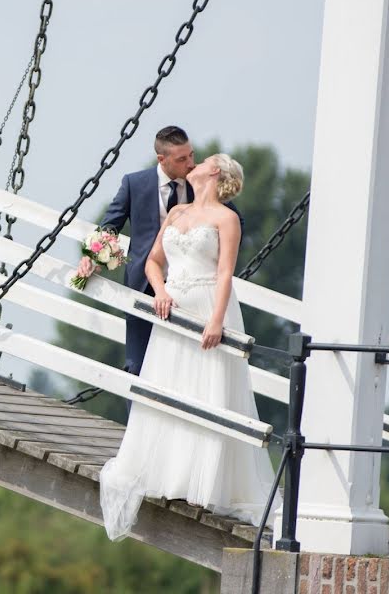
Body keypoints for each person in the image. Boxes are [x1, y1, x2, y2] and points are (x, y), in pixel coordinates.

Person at [98, 153, 278, 541]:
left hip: (209, 305)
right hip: (174, 307)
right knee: (171, 385)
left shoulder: (226, 219)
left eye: (205, 159)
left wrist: (217, 320)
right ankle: (168, 473)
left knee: (206, 389)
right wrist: (160, 292)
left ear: (215, 172)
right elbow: (153, 262)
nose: (196, 162)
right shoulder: (177, 212)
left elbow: (226, 270)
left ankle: (205, 483)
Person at [91, 126, 243, 380]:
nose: (190, 164)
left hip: (197, 291)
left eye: (192, 156)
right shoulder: (135, 183)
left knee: (189, 372)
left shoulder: (202, 185)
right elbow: (111, 224)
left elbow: (228, 230)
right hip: (144, 285)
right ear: (162, 159)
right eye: (182, 159)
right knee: (137, 367)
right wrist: (92, 258)